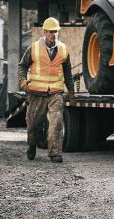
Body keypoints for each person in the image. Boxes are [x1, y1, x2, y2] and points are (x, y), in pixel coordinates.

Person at [18, 17, 75, 163]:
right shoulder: (34, 48)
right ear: (44, 32)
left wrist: (71, 91)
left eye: (55, 31)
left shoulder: (63, 49)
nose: (53, 34)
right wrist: (22, 81)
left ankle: (55, 153)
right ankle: (32, 144)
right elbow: (22, 66)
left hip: (55, 93)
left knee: (56, 122)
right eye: (50, 32)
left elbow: (67, 72)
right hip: (36, 93)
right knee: (33, 124)